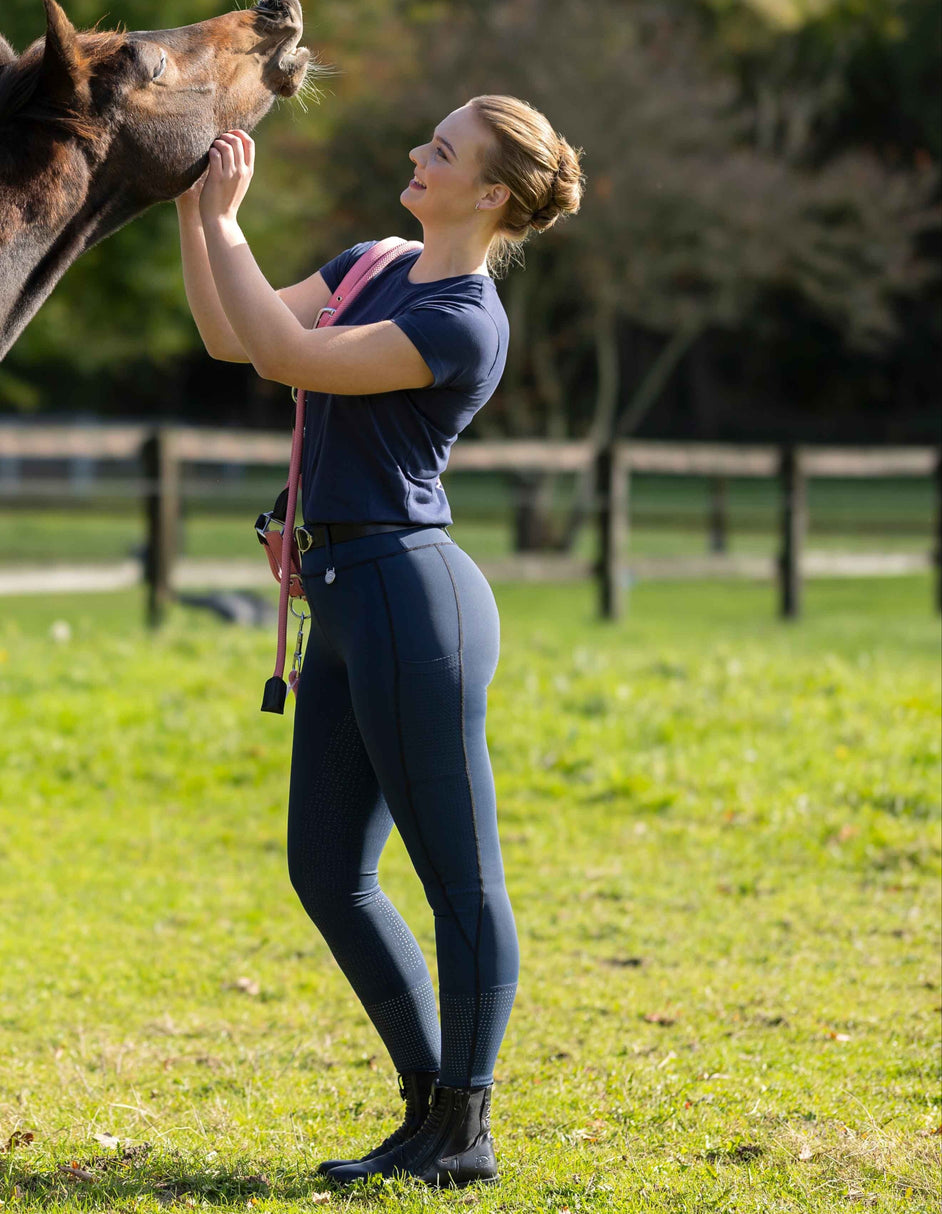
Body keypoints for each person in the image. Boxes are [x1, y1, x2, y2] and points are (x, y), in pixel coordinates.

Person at [174, 95, 583, 1187]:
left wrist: (227, 218)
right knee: (326, 868)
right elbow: (225, 332)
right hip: (344, 595)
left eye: (440, 150)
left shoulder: (463, 320)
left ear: (490, 193)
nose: (415, 151)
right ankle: (426, 1107)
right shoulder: (371, 262)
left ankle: (467, 1121)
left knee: (459, 877)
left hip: (413, 598)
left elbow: (281, 354)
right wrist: (188, 206)